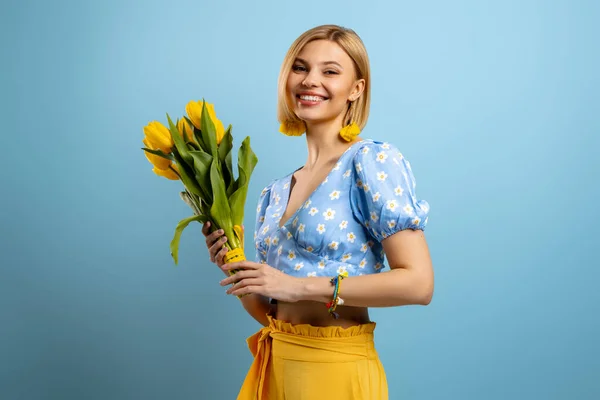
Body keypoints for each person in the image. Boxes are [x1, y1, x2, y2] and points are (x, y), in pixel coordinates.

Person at [202, 24, 434, 400]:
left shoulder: (370, 162)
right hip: (277, 366)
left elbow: (419, 284)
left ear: (355, 89)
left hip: (336, 371)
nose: (310, 81)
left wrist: (298, 287)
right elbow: (274, 315)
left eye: (329, 71)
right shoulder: (274, 193)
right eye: (300, 68)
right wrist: (234, 266)